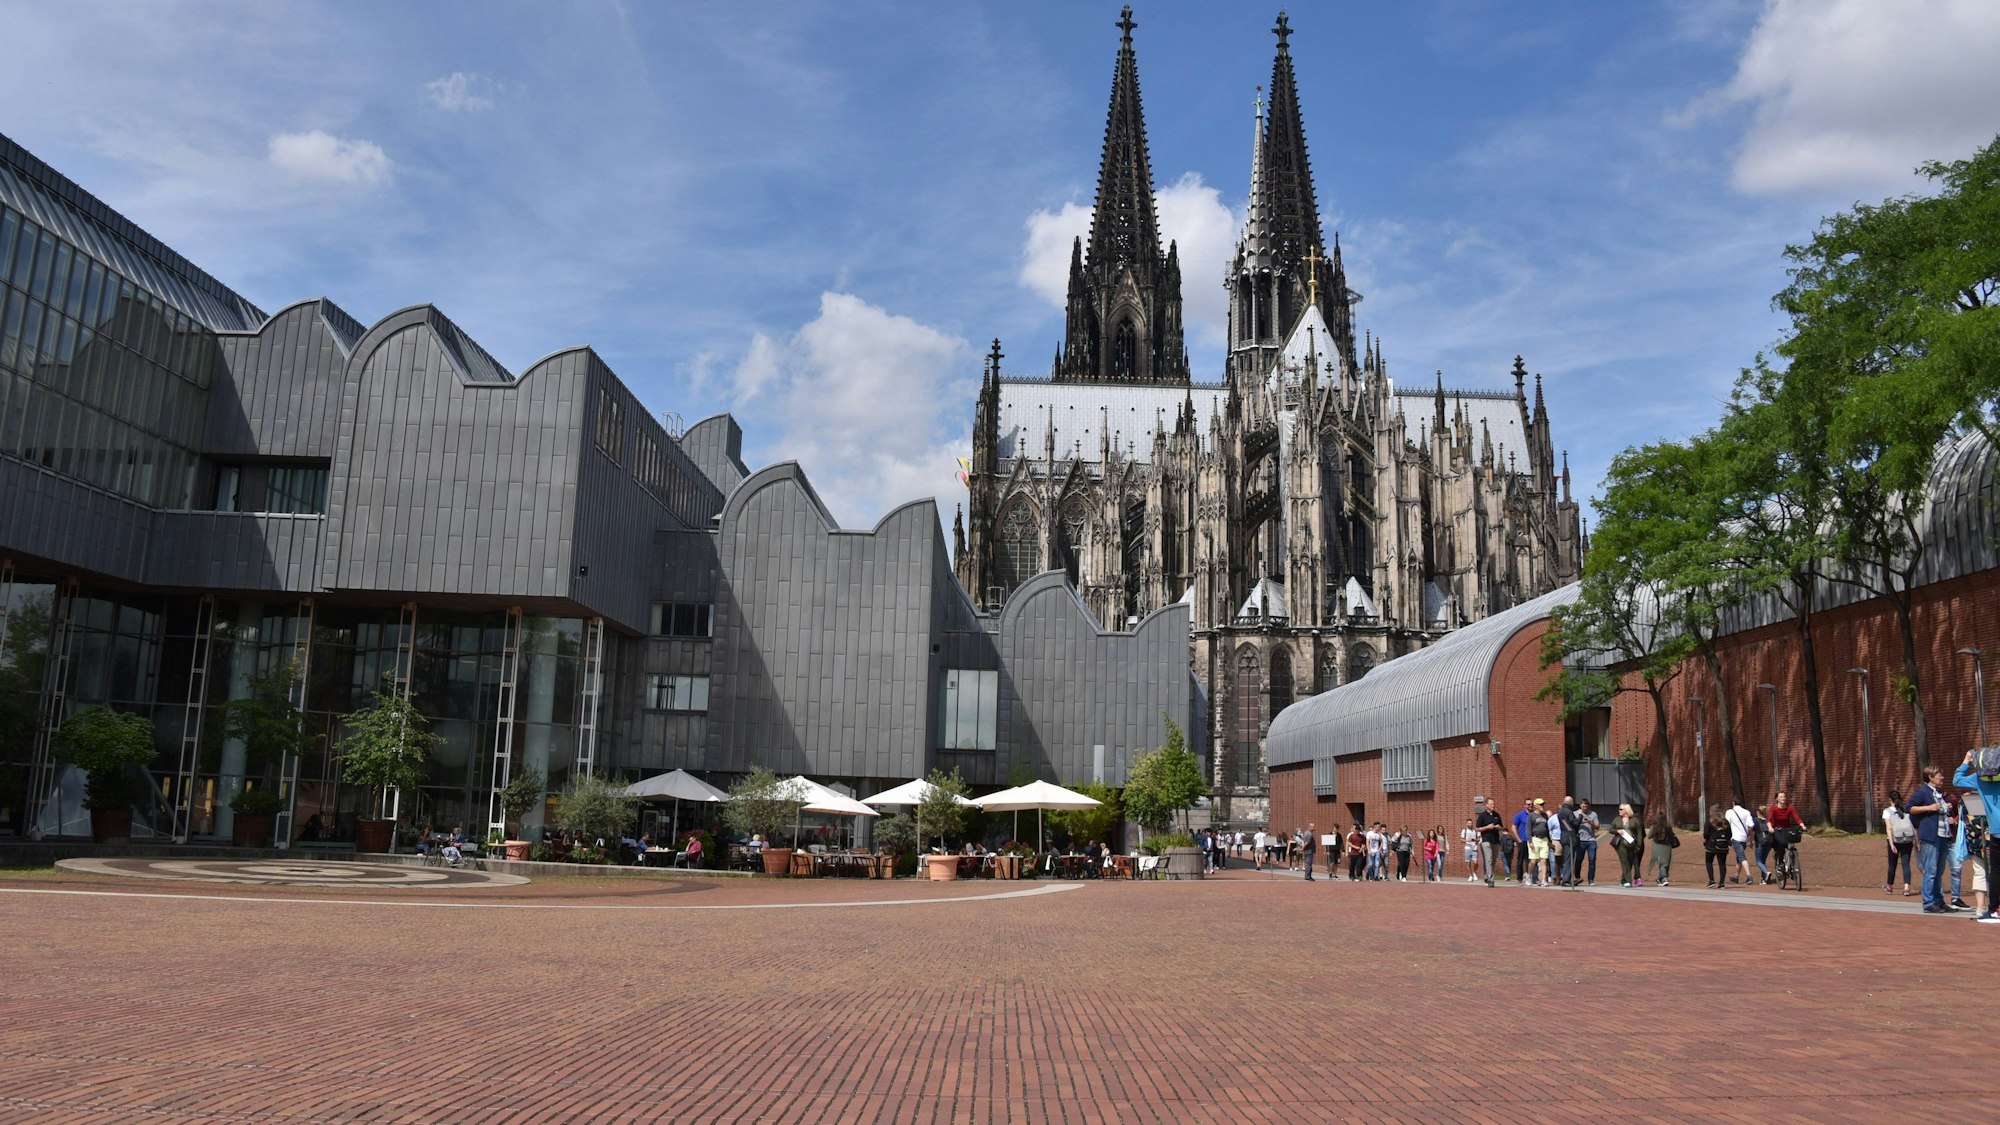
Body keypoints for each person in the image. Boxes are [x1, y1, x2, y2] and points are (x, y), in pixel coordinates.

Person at [1951, 749, 1999, 922]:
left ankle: (1994, 909)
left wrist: (1966, 760)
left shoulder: (1979, 779)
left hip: (1995, 831)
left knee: (1995, 872)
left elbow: (1957, 780)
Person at [1909, 767, 1954, 912]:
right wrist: (1929, 807)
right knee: (1931, 870)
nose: (1942, 777)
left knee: (1939, 870)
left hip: (1943, 835)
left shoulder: (1939, 793)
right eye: (1939, 775)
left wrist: (1946, 808)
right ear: (1930, 777)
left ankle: (1939, 900)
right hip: (1930, 836)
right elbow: (1909, 808)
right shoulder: (1923, 792)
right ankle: (1928, 903)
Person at [1764, 791, 1804, 882]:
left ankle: (1792, 868)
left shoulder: (1790, 807)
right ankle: (1781, 863)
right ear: (1777, 799)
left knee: (1791, 847)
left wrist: (1802, 825)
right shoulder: (1774, 808)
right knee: (1781, 843)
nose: (1783, 798)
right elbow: (1769, 819)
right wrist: (1770, 827)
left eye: (1784, 797)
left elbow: (1796, 817)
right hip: (1777, 830)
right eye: (1781, 797)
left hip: (1787, 830)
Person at [1883, 790, 1915, 895]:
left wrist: (1891, 844)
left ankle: (1889, 886)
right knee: (1906, 864)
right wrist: (1916, 840)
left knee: (1892, 864)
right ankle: (1906, 888)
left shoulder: (1887, 811)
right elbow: (1913, 825)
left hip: (1895, 840)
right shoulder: (1906, 809)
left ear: (1889, 800)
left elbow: (1889, 828)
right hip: (1907, 839)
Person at [1609, 803, 1643, 887]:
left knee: (1630, 861)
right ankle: (1628, 881)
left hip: (1631, 843)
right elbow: (1610, 829)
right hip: (1620, 844)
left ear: (1626, 810)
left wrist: (1639, 844)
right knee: (1624, 861)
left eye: (1621, 809)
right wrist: (1617, 831)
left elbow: (1639, 833)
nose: (1619, 811)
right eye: (1619, 809)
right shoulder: (1617, 819)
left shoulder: (1634, 820)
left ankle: (1623, 880)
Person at [1724, 799, 1756, 886]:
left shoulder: (1730, 812)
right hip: (1744, 838)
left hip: (1736, 838)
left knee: (1741, 857)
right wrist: (1747, 834)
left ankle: (1749, 876)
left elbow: (1725, 823)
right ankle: (1736, 876)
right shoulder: (1746, 812)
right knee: (1739, 857)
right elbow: (1751, 825)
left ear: (1733, 803)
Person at [1476, 798, 1506, 887]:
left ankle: (1487, 875)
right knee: (1488, 859)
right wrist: (1487, 827)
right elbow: (1477, 828)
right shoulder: (1482, 815)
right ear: (1486, 805)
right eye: (1491, 804)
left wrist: (1498, 827)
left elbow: (1501, 827)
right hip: (1486, 840)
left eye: (1493, 804)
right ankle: (1490, 879)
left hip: (1495, 840)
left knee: (1493, 861)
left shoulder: (1497, 815)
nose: (1493, 805)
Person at [1647, 810, 1679, 886]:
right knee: (1665, 863)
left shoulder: (1654, 827)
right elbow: (1671, 836)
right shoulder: (1668, 827)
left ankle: (1664, 878)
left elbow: (1649, 836)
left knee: (1661, 864)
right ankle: (1660, 878)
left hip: (1657, 846)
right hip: (1667, 847)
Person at [1702, 808, 1732, 889]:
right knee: (1722, 864)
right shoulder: (1725, 822)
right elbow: (1730, 834)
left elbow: (1706, 834)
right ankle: (1722, 883)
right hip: (1723, 845)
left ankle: (1712, 880)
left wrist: (1707, 840)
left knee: (1709, 862)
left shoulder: (1709, 821)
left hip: (1711, 845)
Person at [1526, 799, 1552, 887]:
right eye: (1541, 804)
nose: (1543, 806)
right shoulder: (1531, 816)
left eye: (1543, 804)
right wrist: (1530, 841)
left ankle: (1544, 879)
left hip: (1544, 839)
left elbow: (1547, 828)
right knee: (1533, 861)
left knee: (1544, 860)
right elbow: (1528, 829)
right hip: (1534, 839)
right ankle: (1529, 876)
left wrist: (1549, 840)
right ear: (1536, 805)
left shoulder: (1545, 816)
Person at [1575, 800, 1601, 885]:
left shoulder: (1593, 814)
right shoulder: (1575, 813)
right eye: (1583, 807)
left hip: (1591, 840)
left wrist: (1590, 822)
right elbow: (1573, 825)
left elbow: (1597, 827)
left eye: (1586, 807)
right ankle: (1577, 877)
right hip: (1580, 840)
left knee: (1592, 859)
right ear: (1580, 806)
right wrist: (1581, 822)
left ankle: (1591, 879)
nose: (1585, 808)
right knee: (1578, 860)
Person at [1512, 798, 1533, 886]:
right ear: (1524, 805)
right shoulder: (1520, 815)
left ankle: (1529, 877)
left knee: (1530, 860)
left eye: (1531, 804)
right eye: (1528, 804)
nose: (1530, 806)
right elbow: (1513, 827)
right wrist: (1518, 839)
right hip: (1522, 841)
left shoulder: (1534, 815)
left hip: (1531, 841)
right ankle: (1519, 878)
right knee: (1520, 860)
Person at [1460, 817, 1481, 883]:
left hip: (1474, 848)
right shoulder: (1464, 831)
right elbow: (1461, 839)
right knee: (1468, 862)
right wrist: (1467, 840)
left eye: (1471, 823)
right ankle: (1470, 875)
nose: (1470, 824)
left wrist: (1475, 840)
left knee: (1475, 862)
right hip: (1467, 848)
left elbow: (1479, 839)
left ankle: (1474, 872)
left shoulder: (1475, 830)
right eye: (1469, 823)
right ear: (1467, 824)